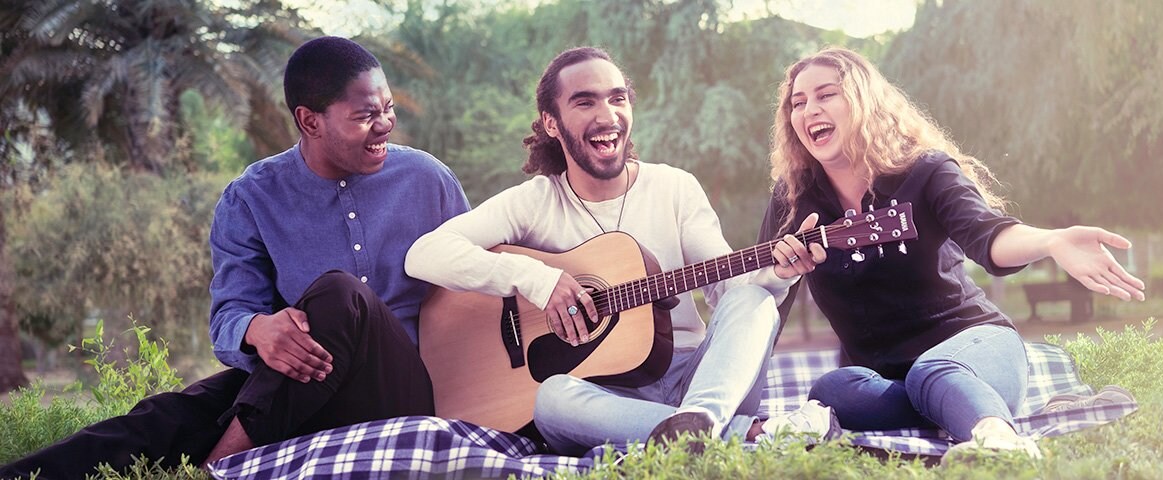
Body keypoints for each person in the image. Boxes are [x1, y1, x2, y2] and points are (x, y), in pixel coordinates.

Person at [0, 36, 469, 478]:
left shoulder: (428, 179)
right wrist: (257, 330)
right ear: (310, 121)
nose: (385, 123)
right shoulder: (251, 198)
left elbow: (482, 281)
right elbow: (230, 314)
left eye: (387, 108)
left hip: (405, 390)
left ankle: (216, 471)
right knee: (167, 417)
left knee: (338, 294)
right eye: (366, 115)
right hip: (304, 386)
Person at [406, 46, 833, 457]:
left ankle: (700, 421)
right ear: (551, 123)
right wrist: (537, 279)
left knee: (754, 298)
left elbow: (730, 293)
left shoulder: (674, 187)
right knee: (552, 397)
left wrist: (780, 275)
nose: (607, 115)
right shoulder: (534, 202)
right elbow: (425, 254)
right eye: (585, 102)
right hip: (609, 399)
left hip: (701, 377)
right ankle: (730, 435)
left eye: (617, 98)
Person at [758, 46, 1145, 458]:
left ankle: (1001, 442)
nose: (809, 110)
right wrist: (779, 277)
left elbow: (989, 235)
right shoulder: (793, 197)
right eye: (798, 103)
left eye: (826, 95)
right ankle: (955, 413)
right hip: (887, 381)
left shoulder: (925, 170)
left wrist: (1051, 241)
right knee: (833, 388)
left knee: (935, 372)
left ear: (863, 100)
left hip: (974, 347)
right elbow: (763, 299)